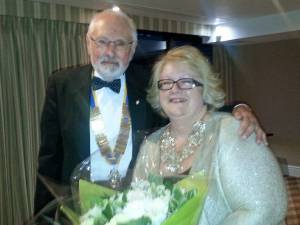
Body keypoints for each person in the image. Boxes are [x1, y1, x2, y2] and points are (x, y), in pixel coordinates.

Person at [34, 9, 266, 214]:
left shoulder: (148, 82)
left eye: (120, 43)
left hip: (136, 205)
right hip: (78, 207)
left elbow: (188, 104)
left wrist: (237, 108)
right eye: (102, 41)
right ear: (88, 43)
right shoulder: (61, 84)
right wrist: (43, 217)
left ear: (132, 48)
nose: (110, 51)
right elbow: (49, 159)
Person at [133, 45, 287, 225]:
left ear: (204, 88)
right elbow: (136, 205)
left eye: (186, 81)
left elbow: (265, 209)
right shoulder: (150, 145)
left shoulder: (234, 132)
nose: (175, 89)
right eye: (166, 83)